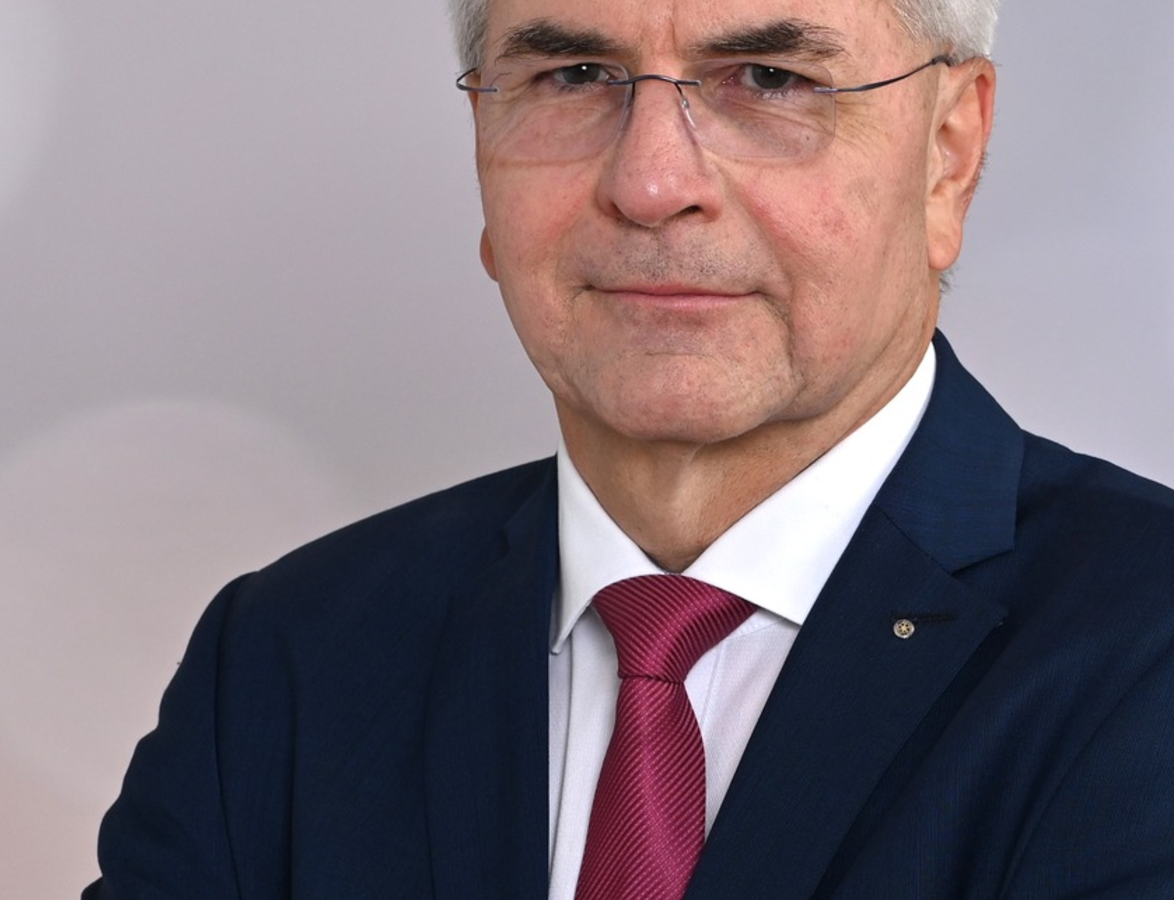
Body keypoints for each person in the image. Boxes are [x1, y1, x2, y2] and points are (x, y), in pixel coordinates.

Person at [84, 0, 1174, 897]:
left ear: (948, 156)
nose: (650, 185)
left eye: (769, 80)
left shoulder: (1145, 653)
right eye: (573, 78)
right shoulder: (287, 661)